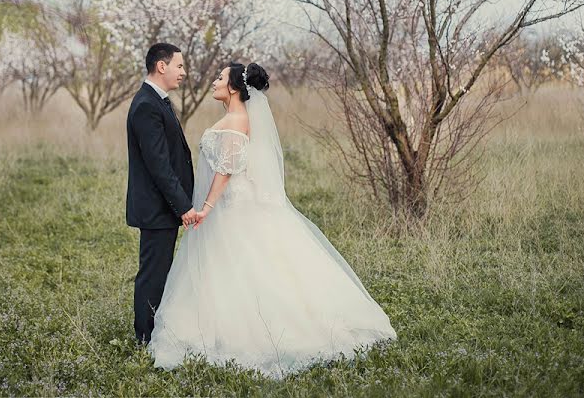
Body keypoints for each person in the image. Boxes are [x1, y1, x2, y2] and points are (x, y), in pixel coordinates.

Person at [147, 62, 397, 379]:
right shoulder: (230, 118)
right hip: (229, 209)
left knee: (245, 270)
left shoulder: (238, 121)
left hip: (234, 209)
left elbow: (227, 170)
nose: (214, 81)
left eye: (220, 78)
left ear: (235, 87)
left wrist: (207, 207)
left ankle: (254, 332)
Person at [125, 43, 200, 344]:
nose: (183, 72)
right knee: (153, 275)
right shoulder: (146, 105)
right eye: (179, 66)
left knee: (160, 272)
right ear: (161, 66)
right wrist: (183, 205)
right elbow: (158, 165)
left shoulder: (156, 101)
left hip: (162, 208)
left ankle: (154, 332)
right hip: (157, 209)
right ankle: (144, 338)